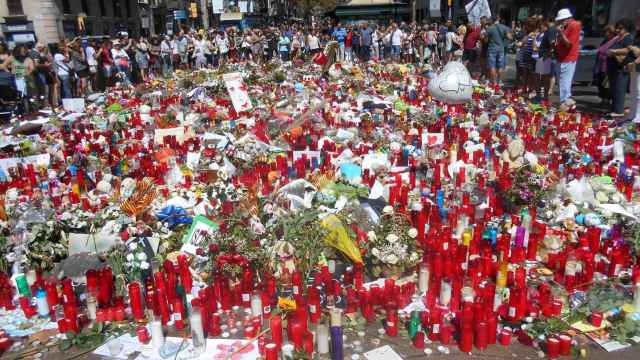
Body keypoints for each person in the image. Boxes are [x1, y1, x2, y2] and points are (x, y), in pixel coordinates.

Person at [554, 8, 582, 110]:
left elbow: (569, 44)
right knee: (563, 82)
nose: (560, 22)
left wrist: (561, 33)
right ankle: (566, 102)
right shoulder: (567, 26)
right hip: (562, 58)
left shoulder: (574, 25)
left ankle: (566, 103)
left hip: (568, 58)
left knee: (565, 82)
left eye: (561, 20)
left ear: (566, 19)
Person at [607, 18, 635, 118]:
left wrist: (614, 51)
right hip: (615, 67)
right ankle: (614, 109)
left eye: (620, 28)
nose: (618, 30)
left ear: (626, 28)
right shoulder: (619, 37)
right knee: (614, 89)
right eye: (617, 28)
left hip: (622, 67)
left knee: (619, 89)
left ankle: (619, 111)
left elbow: (627, 50)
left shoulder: (628, 38)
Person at [593, 25, 617, 107]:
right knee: (601, 84)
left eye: (607, 32)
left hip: (607, 66)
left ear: (612, 33)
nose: (605, 34)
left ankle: (607, 101)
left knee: (606, 85)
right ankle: (603, 99)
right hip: (600, 65)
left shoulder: (615, 41)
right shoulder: (605, 40)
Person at [484, 17, 513, 85]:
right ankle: (499, 80)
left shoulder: (490, 28)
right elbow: (510, 37)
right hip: (501, 49)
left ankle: (494, 83)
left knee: (492, 66)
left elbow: (485, 40)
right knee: (500, 66)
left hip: (492, 49)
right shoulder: (504, 27)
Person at [627, 13, 640, 123]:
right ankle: (632, 114)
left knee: (639, 92)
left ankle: (638, 116)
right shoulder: (636, 34)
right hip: (635, 67)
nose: (637, 21)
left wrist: (635, 62)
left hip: (637, 65)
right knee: (633, 91)